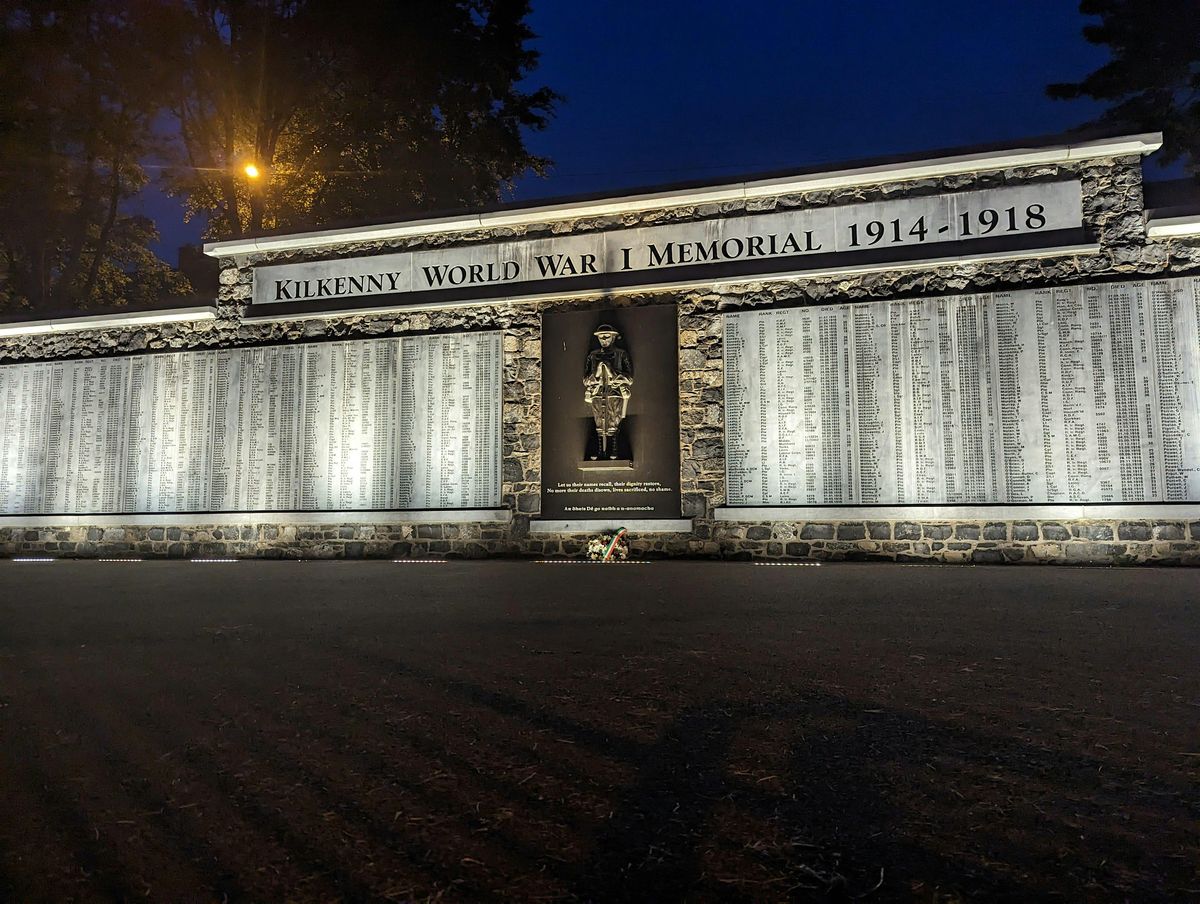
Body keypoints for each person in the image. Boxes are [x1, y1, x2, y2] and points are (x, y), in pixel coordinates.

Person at [583, 324, 633, 459]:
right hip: (597, 392)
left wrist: (612, 372)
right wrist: (597, 374)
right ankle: (600, 450)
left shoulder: (621, 354)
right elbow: (586, 380)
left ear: (613, 337)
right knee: (599, 420)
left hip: (614, 391)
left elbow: (629, 378)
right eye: (601, 337)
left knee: (613, 420)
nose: (603, 339)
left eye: (607, 336)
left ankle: (614, 448)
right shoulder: (593, 355)